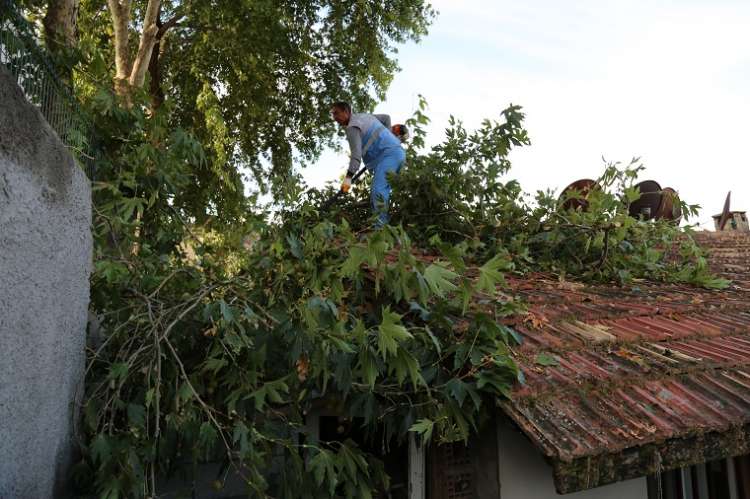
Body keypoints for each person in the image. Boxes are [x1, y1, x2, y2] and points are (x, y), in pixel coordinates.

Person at [331, 101, 406, 226]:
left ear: (346, 111)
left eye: (336, 113)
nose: (335, 118)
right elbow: (386, 118)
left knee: (378, 191)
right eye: (333, 114)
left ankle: (380, 230)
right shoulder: (365, 116)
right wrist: (390, 136)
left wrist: (348, 178)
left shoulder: (352, 127)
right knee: (383, 190)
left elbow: (356, 155)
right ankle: (390, 224)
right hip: (397, 153)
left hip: (388, 156)